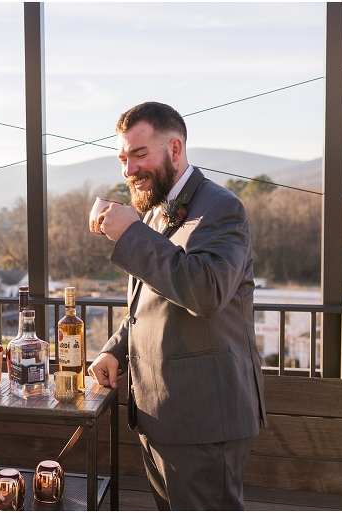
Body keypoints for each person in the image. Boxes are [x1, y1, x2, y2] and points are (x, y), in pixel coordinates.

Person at [87, 101, 267, 510]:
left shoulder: (222, 208)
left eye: (139, 154)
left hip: (205, 420)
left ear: (174, 148)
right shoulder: (153, 213)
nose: (129, 170)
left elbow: (206, 292)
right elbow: (150, 303)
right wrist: (115, 349)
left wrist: (130, 235)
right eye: (122, 158)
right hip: (157, 414)